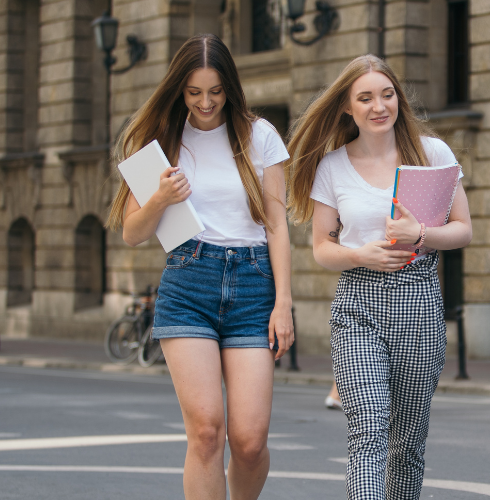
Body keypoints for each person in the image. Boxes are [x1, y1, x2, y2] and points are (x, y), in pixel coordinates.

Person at [105, 34, 293, 499]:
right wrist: (161, 198)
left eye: (215, 91)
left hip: (254, 287)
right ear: (179, 89)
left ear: (230, 87)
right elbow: (132, 231)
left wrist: (283, 303)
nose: (206, 103)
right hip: (189, 280)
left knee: (249, 442)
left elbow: (277, 226)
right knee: (207, 433)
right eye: (194, 92)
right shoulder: (159, 140)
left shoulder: (259, 135)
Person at [286, 54, 472, 500]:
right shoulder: (332, 166)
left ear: (398, 99)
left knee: (406, 446)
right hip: (358, 305)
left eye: (386, 94)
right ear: (348, 107)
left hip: (420, 301)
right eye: (365, 98)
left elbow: (464, 230)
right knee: (367, 432)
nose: (378, 106)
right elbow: (322, 249)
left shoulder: (432, 154)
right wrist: (359, 254)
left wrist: (421, 233)